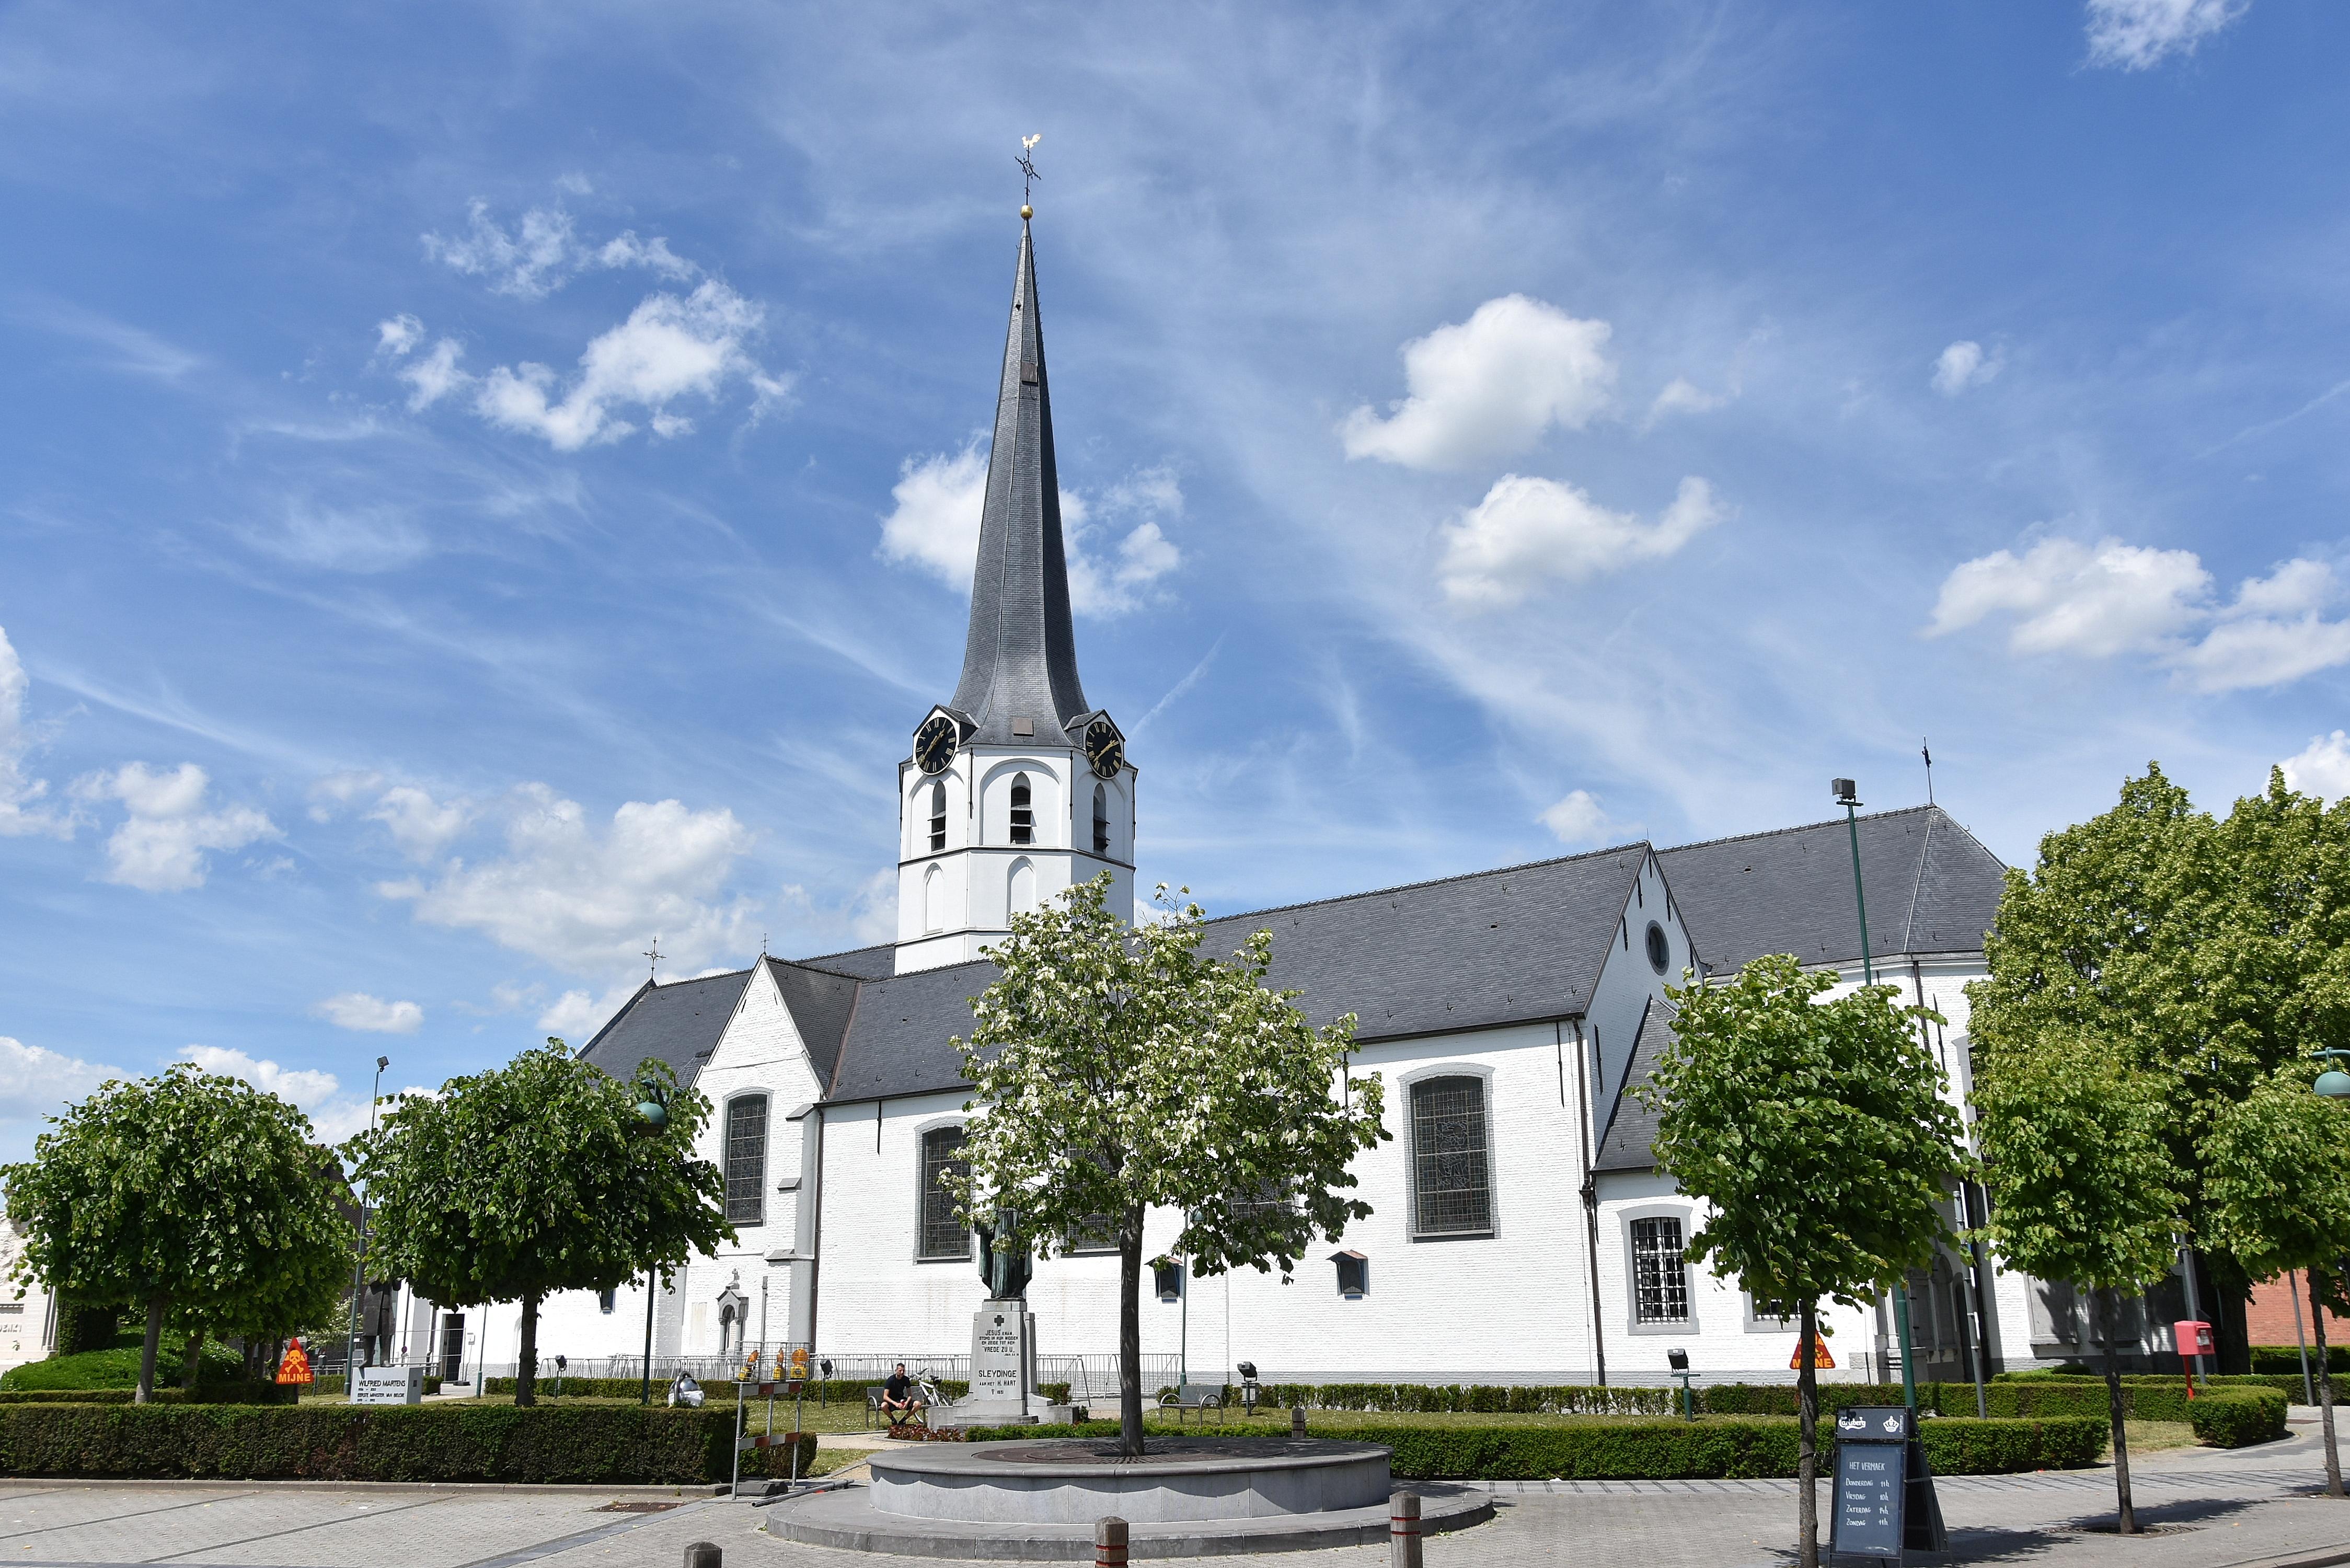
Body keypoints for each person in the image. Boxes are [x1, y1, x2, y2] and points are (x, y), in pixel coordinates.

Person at [880, 1362, 925, 1428]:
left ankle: (903, 1420)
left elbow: (910, 1395)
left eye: (903, 1371)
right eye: (900, 1371)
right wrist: (895, 1404)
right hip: (892, 1401)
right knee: (883, 1406)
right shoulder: (891, 1380)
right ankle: (893, 1420)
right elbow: (885, 1396)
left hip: (901, 1400)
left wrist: (907, 1403)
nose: (902, 1372)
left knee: (918, 1404)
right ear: (896, 1371)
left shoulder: (906, 1379)